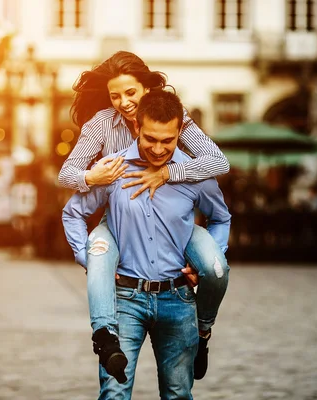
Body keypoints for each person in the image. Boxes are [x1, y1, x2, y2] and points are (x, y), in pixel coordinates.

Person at [58, 51, 231, 382]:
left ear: (147, 88)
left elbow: (218, 162)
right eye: (115, 95)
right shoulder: (101, 125)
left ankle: (203, 332)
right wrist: (91, 178)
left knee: (215, 267)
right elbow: (69, 174)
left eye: (131, 92)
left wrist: (169, 173)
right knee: (97, 253)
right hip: (124, 216)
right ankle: (105, 339)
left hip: (174, 217)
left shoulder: (172, 116)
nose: (124, 102)